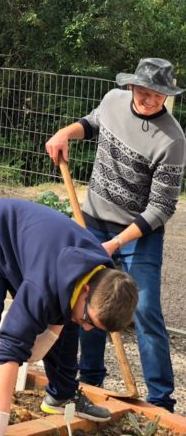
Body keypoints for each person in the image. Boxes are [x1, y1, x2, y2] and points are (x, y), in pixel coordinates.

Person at [45, 57, 185, 412]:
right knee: (91, 301)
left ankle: (161, 400)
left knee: (145, 309)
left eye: (158, 94)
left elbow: (161, 207)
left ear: (167, 95)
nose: (149, 100)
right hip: (93, 223)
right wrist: (65, 133)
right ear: (132, 86)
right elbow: (92, 124)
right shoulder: (112, 101)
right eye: (144, 91)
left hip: (140, 234)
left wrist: (118, 242)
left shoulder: (173, 139)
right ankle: (91, 381)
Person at [0, 199, 138, 436]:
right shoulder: (45, 286)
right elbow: (11, 346)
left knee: (72, 318)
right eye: (90, 321)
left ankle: (62, 395)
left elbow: (66, 310)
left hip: (32, 251)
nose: (88, 329)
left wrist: (54, 331)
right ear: (87, 290)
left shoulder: (100, 276)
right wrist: (0, 416)